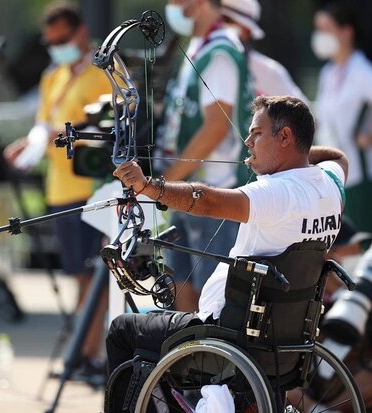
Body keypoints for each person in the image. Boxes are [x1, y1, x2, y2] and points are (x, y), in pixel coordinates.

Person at [106, 95, 348, 408]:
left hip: (227, 336)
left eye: (257, 134)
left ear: (285, 137)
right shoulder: (330, 184)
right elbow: (340, 157)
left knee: (123, 329)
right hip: (284, 344)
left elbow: (207, 200)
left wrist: (149, 187)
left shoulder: (277, 192)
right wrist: (290, 156)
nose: (248, 142)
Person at [3, 2, 111, 379]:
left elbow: (102, 122)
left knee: (93, 274)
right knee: (77, 275)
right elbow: (44, 124)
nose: (56, 47)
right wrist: (27, 143)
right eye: (50, 41)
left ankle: (87, 355)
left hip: (91, 186)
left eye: (62, 39)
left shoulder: (101, 71)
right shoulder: (53, 75)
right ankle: (82, 353)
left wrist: (57, 133)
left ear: (80, 33)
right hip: (59, 187)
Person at [157, 0, 255, 311]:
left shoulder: (220, 50)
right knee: (181, 292)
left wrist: (164, 183)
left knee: (213, 302)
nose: (170, 6)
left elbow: (215, 127)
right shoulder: (200, 46)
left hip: (214, 196)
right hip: (189, 191)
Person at [288, 219, 372, 412]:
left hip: (355, 377)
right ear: (329, 256)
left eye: (358, 246)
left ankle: (331, 410)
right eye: (350, 247)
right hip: (306, 381)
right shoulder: (302, 286)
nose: (357, 252)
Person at [312, 0, 372, 234]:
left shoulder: (361, 69)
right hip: (333, 176)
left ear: (346, 32)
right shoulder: (327, 72)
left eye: (326, 30)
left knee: (363, 245)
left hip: (361, 175)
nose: (320, 36)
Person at [220, 0, 308, 102]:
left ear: (247, 31)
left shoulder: (269, 72)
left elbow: (304, 114)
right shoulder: (201, 60)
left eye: (227, 20)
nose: (220, 26)